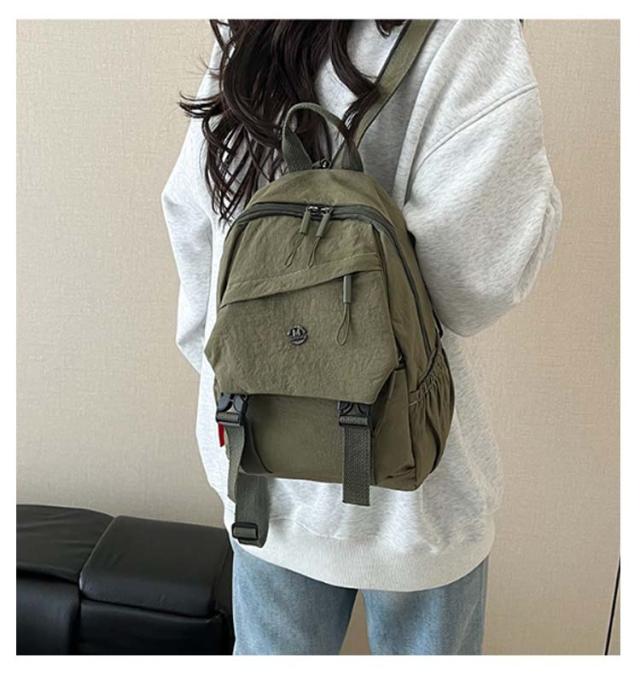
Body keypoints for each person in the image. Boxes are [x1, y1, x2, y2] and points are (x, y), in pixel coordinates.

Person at [162, 19, 561, 655]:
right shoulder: (468, 28)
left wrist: (242, 377)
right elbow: (474, 284)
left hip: (260, 466)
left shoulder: (252, 23)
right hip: (414, 499)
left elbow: (193, 218)